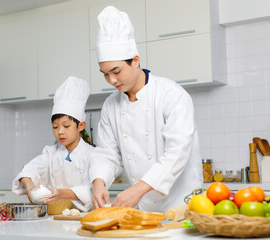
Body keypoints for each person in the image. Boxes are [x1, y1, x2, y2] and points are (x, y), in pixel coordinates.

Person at [90, 6, 203, 212]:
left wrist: (138, 189)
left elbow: (177, 152)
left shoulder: (172, 95)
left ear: (135, 60)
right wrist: (98, 182)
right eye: (105, 74)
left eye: (116, 71)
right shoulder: (110, 105)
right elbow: (107, 153)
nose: (111, 80)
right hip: (143, 207)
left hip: (181, 203)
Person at [12, 76, 94, 212]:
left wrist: (60, 193)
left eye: (66, 126)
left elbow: (90, 190)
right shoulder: (50, 153)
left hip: (81, 217)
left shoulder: (91, 154)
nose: (60, 132)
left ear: (81, 126)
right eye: (55, 127)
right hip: (52, 217)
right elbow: (29, 170)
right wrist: (29, 185)